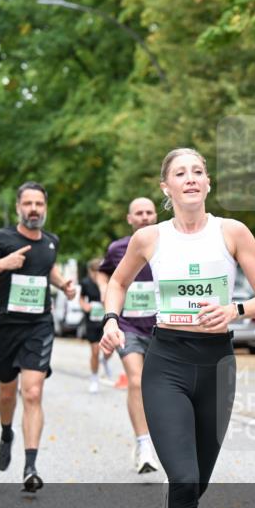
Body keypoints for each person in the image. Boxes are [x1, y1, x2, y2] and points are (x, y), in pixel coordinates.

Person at [100, 148, 255, 508]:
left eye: (198, 171)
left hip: (217, 365)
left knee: (197, 481)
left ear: (208, 183)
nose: (191, 178)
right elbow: (116, 283)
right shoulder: (149, 238)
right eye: (181, 173)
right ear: (167, 188)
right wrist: (111, 320)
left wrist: (236, 309)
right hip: (167, 363)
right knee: (182, 476)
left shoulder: (232, 232)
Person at [0, 181, 77, 492]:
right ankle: (6, 432)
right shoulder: (1, 239)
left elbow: (47, 268)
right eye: (28, 204)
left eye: (39, 204)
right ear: (18, 207)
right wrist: (3, 263)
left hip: (38, 325)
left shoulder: (51, 242)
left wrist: (63, 285)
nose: (33, 210)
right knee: (7, 392)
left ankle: (30, 466)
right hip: (4, 327)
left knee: (32, 392)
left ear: (45, 208)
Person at [100, 197, 162, 473]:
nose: (145, 217)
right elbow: (105, 275)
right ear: (130, 218)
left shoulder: (169, 243)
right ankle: (144, 445)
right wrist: (107, 296)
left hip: (163, 326)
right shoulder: (118, 248)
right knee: (136, 381)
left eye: (149, 212)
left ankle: (159, 437)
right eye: (139, 213)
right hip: (128, 326)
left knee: (159, 388)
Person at [79, 258, 112, 393]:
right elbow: (80, 298)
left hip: (106, 320)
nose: (97, 275)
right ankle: (94, 379)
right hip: (92, 321)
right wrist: (84, 305)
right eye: (95, 272)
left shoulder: (108, 282)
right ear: (90, 272)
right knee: (95, 350)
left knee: (110, 349)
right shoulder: (86, 283)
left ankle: (104, 360)